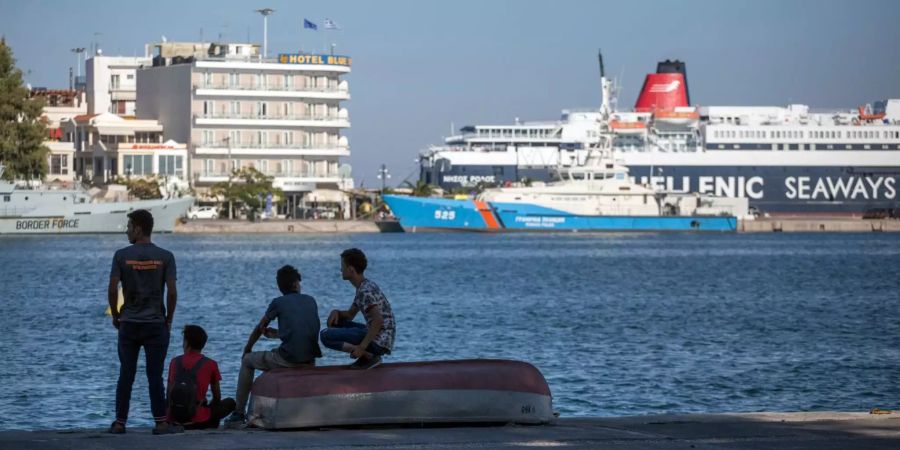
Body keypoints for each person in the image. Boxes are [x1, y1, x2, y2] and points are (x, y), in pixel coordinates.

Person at [107, 209, 179, 435]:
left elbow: (112, 288)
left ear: (138, 228)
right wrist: (168, 320)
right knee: (154, 375)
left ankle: (120, 423)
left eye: (129, 226)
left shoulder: (121, 255)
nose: (127, 231)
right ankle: (160, 422)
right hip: (156, 324)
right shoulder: (166, 257)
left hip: (129, 323)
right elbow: (173, 292)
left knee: (126, 374)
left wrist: (118, 315)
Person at [224, 265, 322, 428]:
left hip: (289, 359)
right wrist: (278, 334)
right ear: (296, 284)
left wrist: (247, 347)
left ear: (280, 287)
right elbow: (305, 330)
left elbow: (260, 327)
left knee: (248, 361)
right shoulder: (310, 300)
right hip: (310, 359)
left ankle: (239, 413)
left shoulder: (278, 302)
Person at [320, 248, 396, 370]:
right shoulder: (364, 286)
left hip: (380, 341)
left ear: (351, 269)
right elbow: (350, 315)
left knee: (325, 336)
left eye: (342, 266)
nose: (341, 270)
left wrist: (361, 348)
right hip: (381, 336)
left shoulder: (364, 291)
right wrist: (336, 312)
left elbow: (378, 321)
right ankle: (368, 355)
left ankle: (368, 356)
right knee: (336, 321)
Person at [166, 325, 235, 429]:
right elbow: (217, 397)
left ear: (187, 343)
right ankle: (209, 420)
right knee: (230, 403)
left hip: (175, 419)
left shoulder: (174, 362)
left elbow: (169, 393)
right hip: (199, 421)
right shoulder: (211, 364)